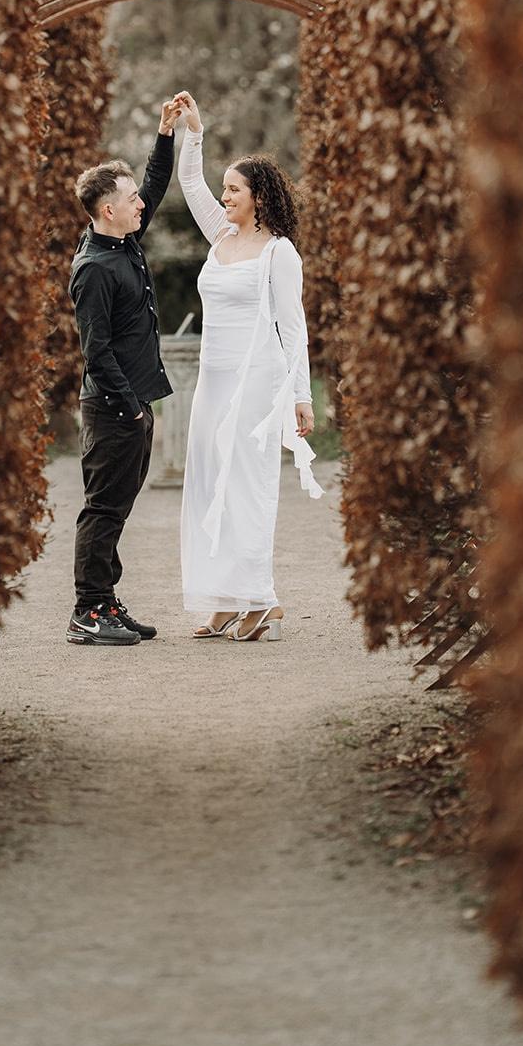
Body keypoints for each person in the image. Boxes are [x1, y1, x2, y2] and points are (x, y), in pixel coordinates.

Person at [173, 90, 322, 642]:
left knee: (246, 487)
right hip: (213, 381)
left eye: (233, 189)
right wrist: (195, 132)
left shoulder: (280, 253)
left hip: (256, 383)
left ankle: (259, 600)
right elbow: (190, 186)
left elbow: (295, 327)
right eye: (225, 188)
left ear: (258, 197)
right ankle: (222, 597)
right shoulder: (222, 237)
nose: (223, 195)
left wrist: (302, 396)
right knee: (211, 483)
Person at [66, 98, 182, 647]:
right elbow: (96, 350)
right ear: (107, 209)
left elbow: (154, 187)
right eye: (130, 199)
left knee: (116, 508)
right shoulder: (94, 268)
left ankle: (106, 600)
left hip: (133, 403)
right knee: (103, 508)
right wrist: (132, 407)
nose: (142, 204)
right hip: (114, 408)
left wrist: (164, 135)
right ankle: (87, 613)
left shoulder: (125, 240)